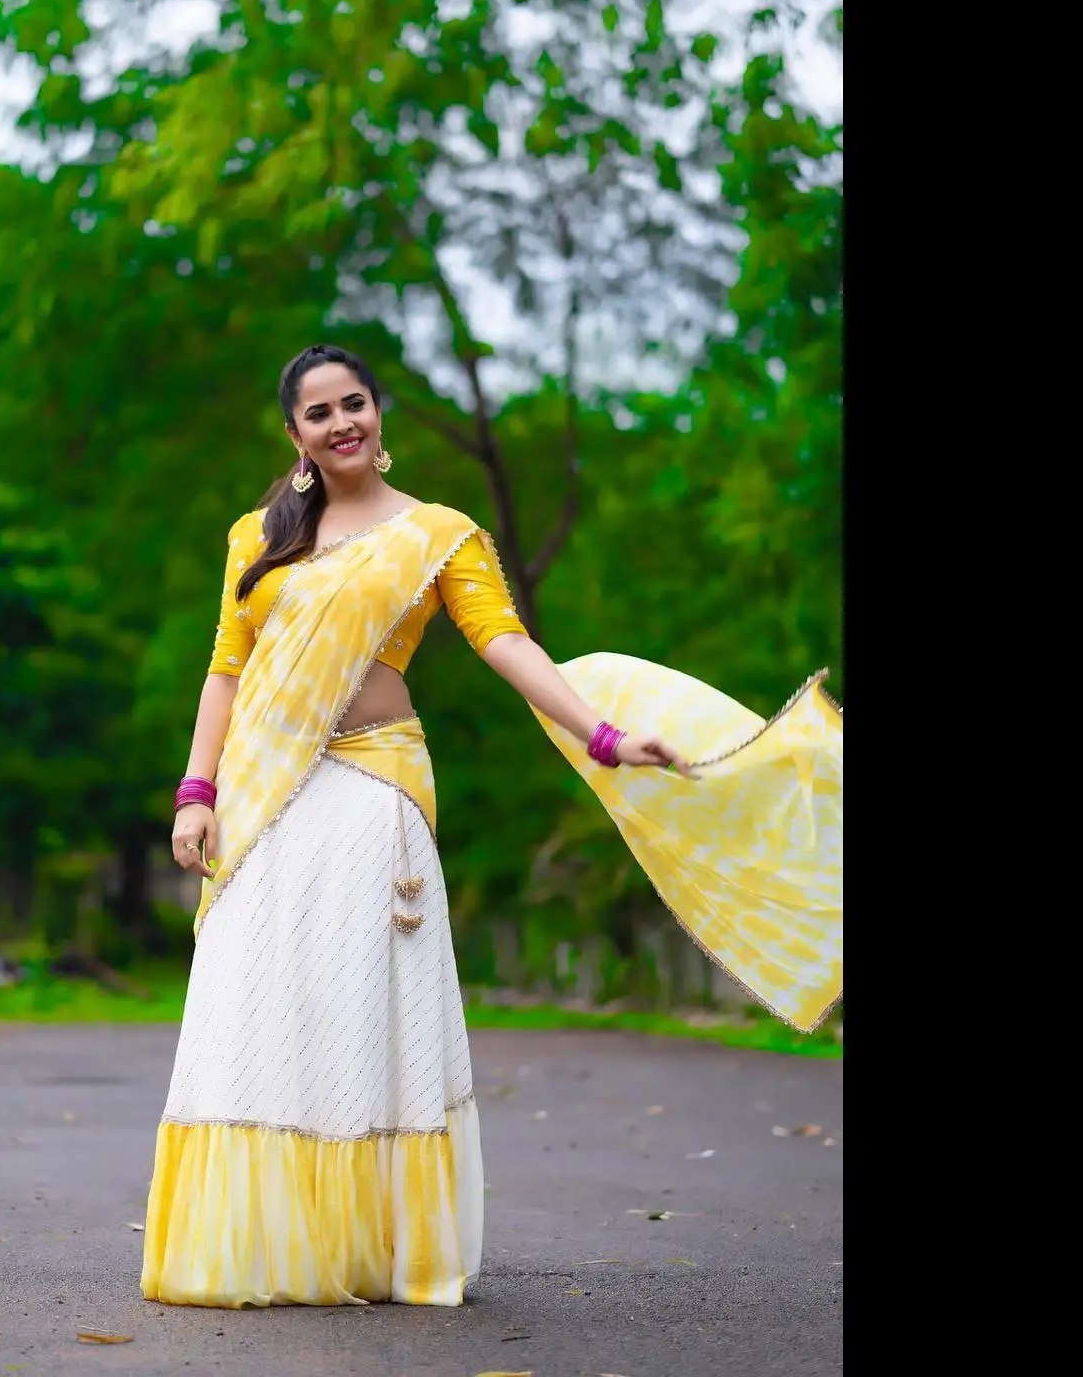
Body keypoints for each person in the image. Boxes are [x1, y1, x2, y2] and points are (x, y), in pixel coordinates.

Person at [140, 343, 842, 1309]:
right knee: (257, 1004)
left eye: (356, 404)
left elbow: (505, 642)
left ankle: (368, 1247)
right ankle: (263, 1246)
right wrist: (196, 791)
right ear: (294, 433)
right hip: (267, 794)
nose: (342, 422)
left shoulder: (436, 535)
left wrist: (599, 734)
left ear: (379, 417)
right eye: (319, 412)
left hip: (372, 787)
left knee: (352, 1011)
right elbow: (227, 669)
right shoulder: (256, 537)